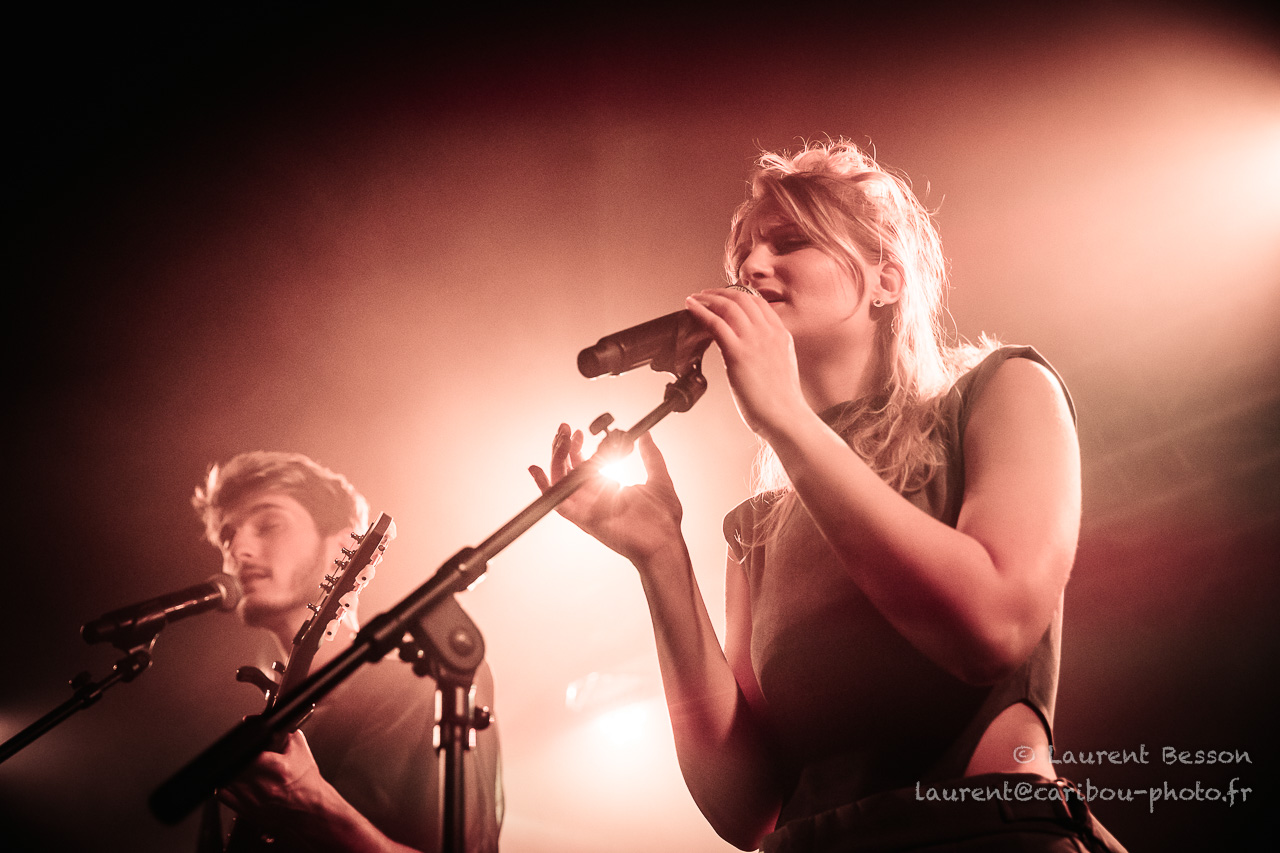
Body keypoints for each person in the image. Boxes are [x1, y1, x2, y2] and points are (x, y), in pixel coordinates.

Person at [530, 139, 1125, 852]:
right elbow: (747, 808)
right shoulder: (758, 526)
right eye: (743, 258)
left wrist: (783, 417)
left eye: (790, 242)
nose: (753, 268)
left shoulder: (1004, 390)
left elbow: (992, 627)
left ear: (887, 279)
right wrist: (660, 557)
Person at [192, 451, 503, 852]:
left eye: (269, 525)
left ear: (343, 546)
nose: (238, 550)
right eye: (227, 537)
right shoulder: (246, 747)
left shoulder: (426, 683)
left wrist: (314, 808)